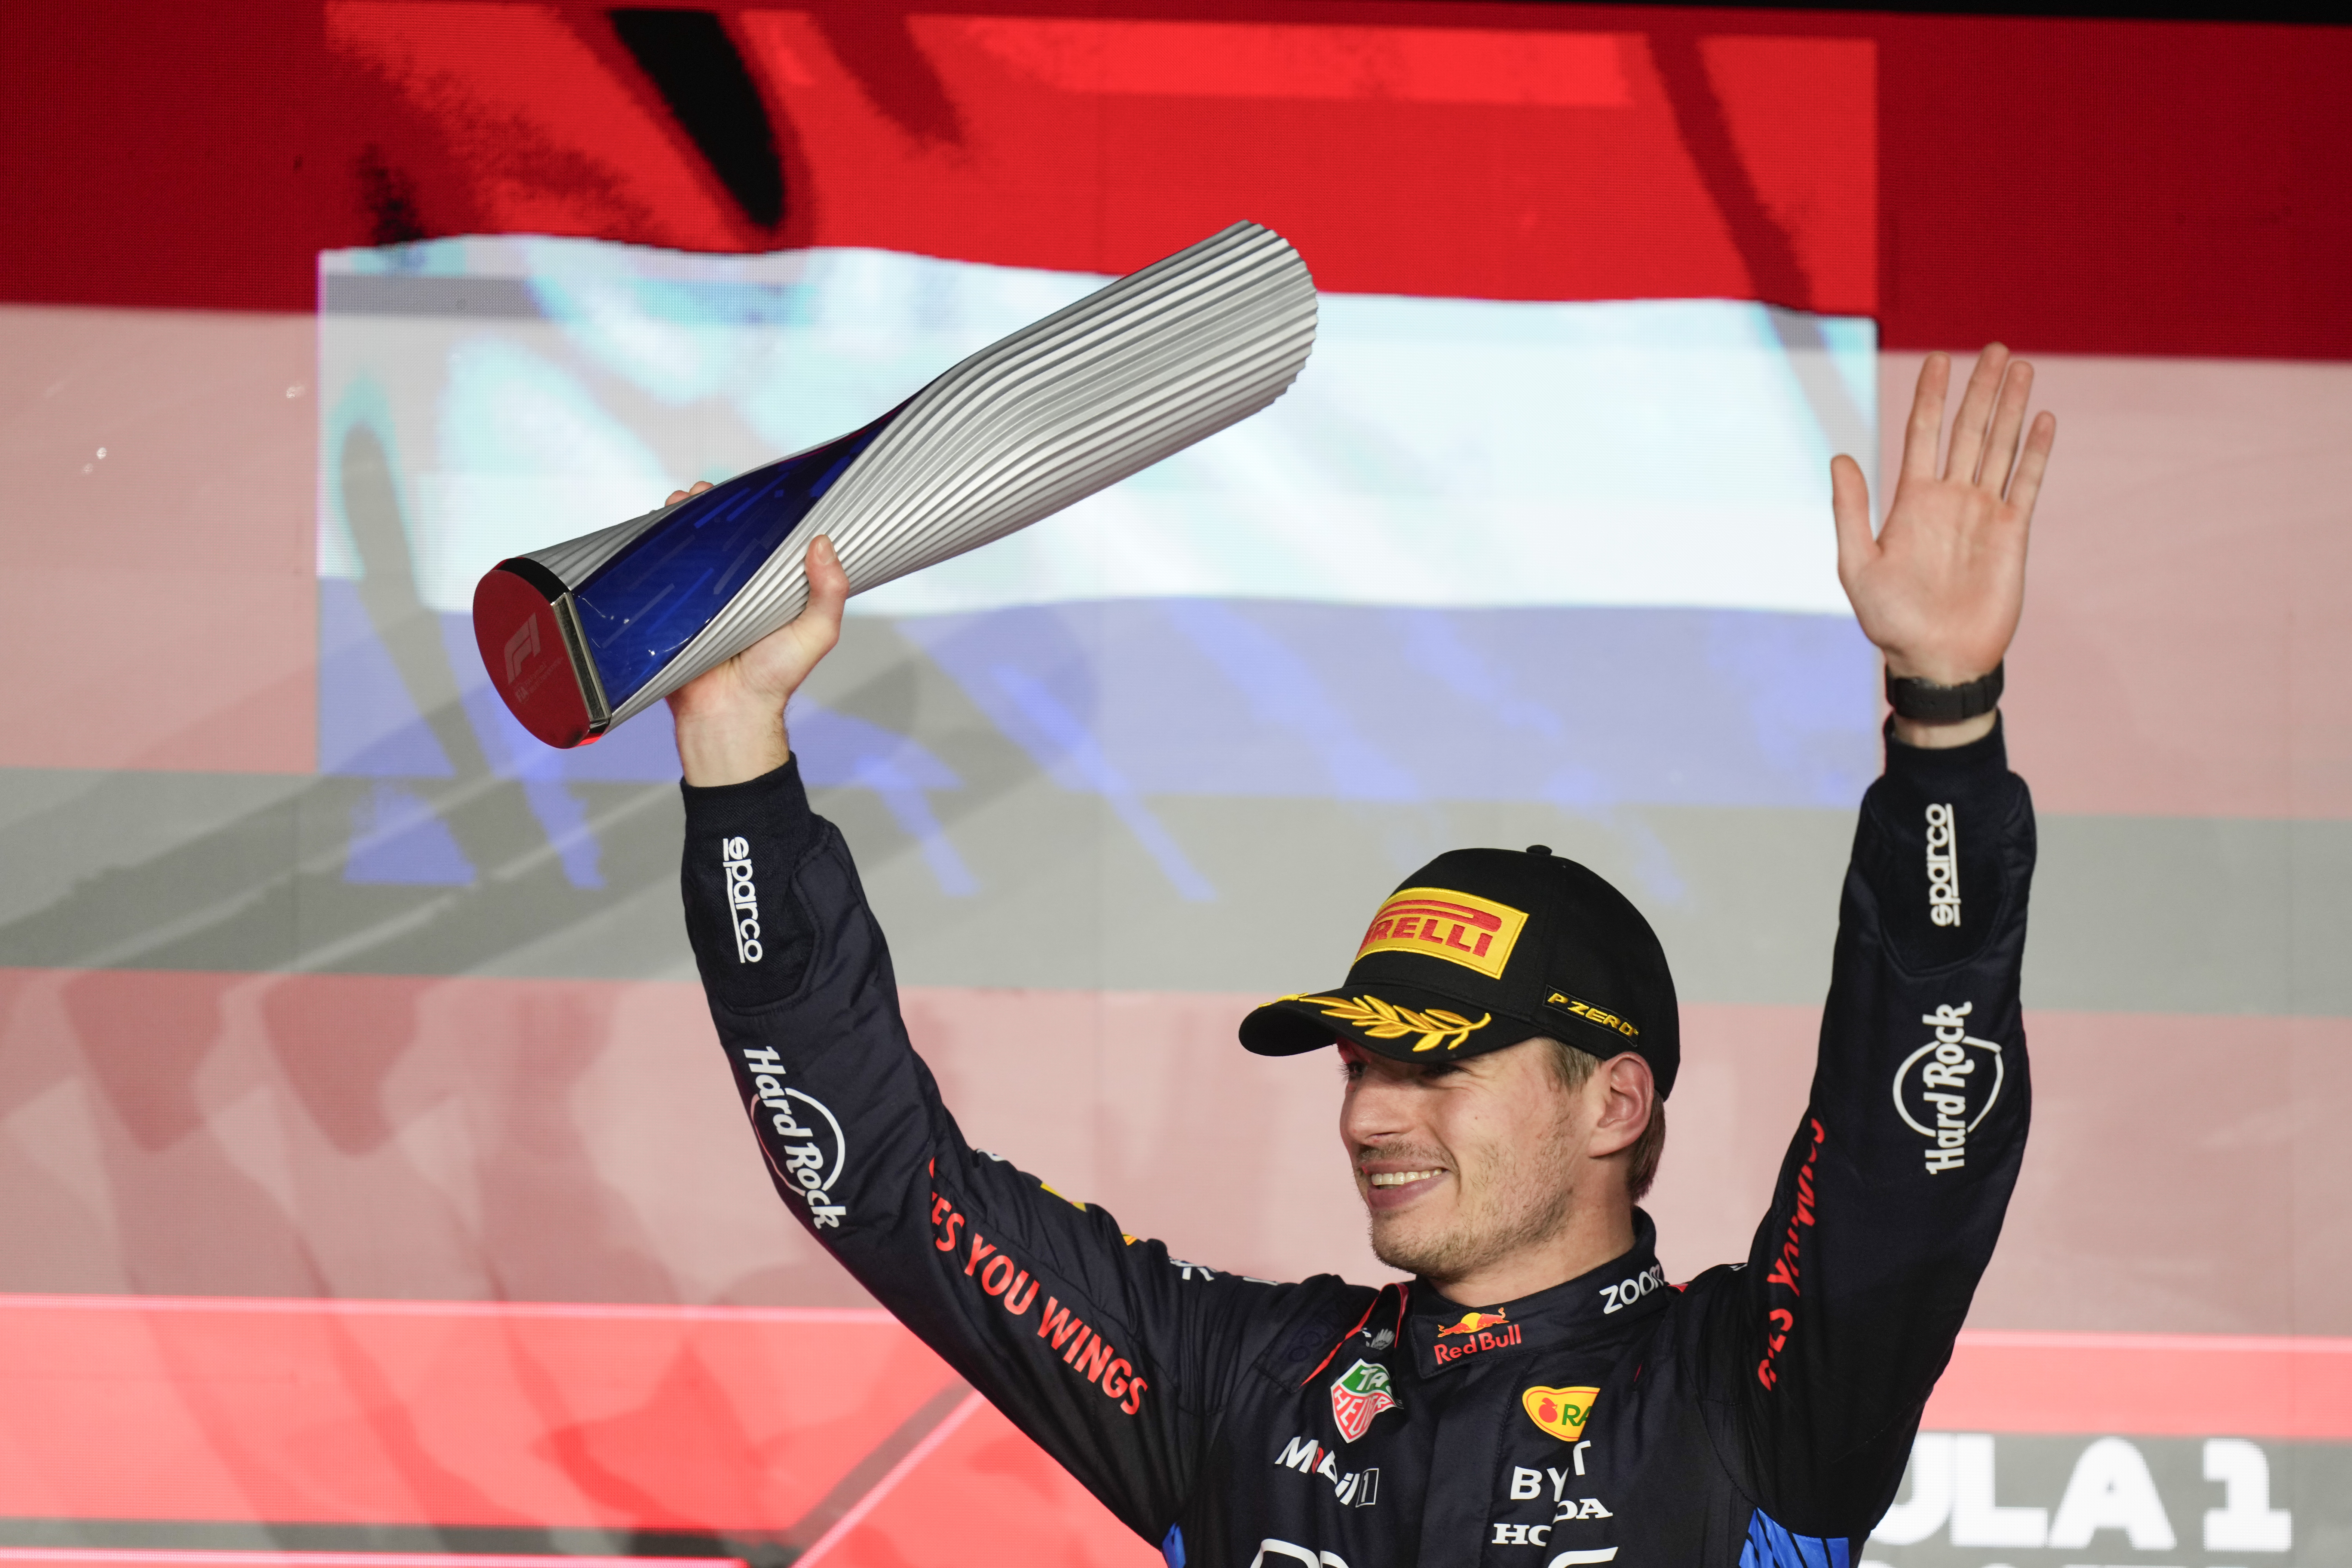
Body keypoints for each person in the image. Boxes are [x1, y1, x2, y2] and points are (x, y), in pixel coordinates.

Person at [662, 346, 2056, 1566]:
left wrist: (1945, 726)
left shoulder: (1754, 1397)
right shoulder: (1238, 1383)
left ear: (1613, 1103)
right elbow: (876, 1182)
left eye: (1434, 1065)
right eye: (1361, 1061)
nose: (1369, 1110)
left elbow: (1914, 1140)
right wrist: (736, 767)